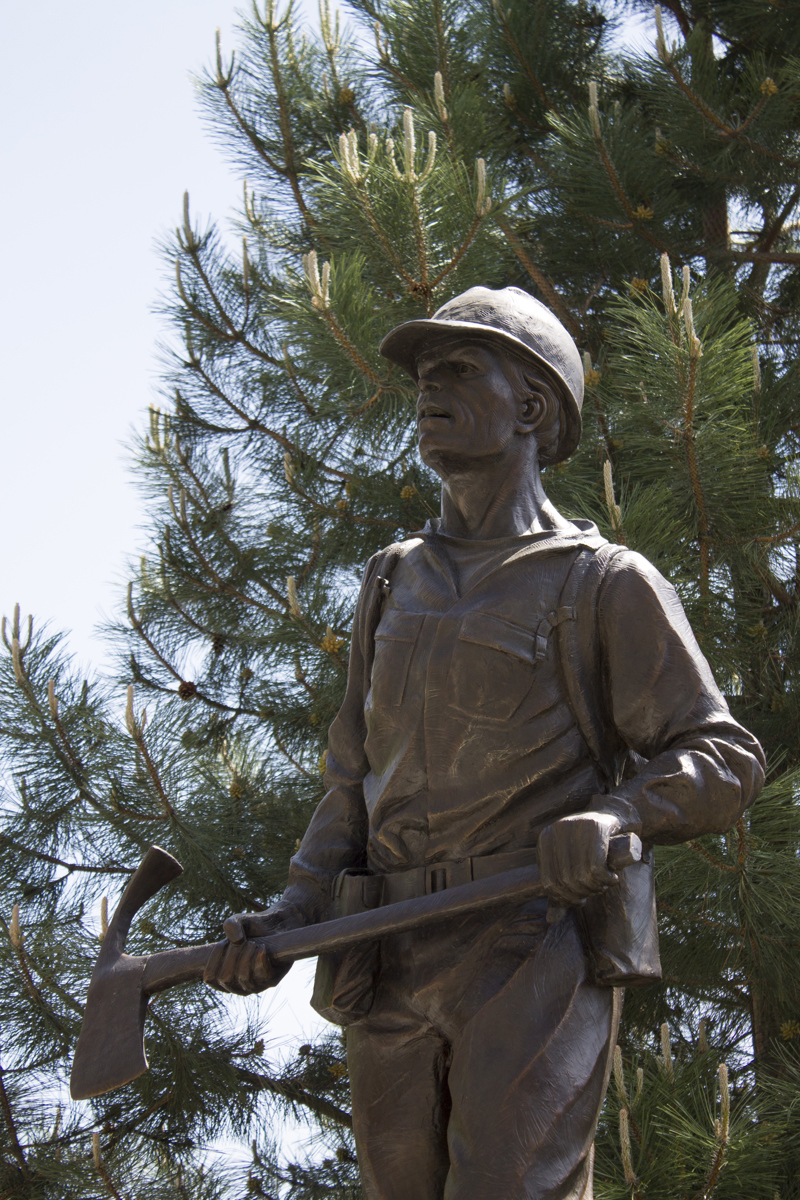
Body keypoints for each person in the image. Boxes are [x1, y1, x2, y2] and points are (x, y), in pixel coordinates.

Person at [205, 286, 765, 1200]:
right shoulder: (393, 580)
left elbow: (723, 753)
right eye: (424, 377)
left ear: (534, 409)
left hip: (528, 938)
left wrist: (617, 815)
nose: (428, 391)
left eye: (461, 370)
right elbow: (352, 778)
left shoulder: (602, 582)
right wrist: (294, 911)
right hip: (382, 948)